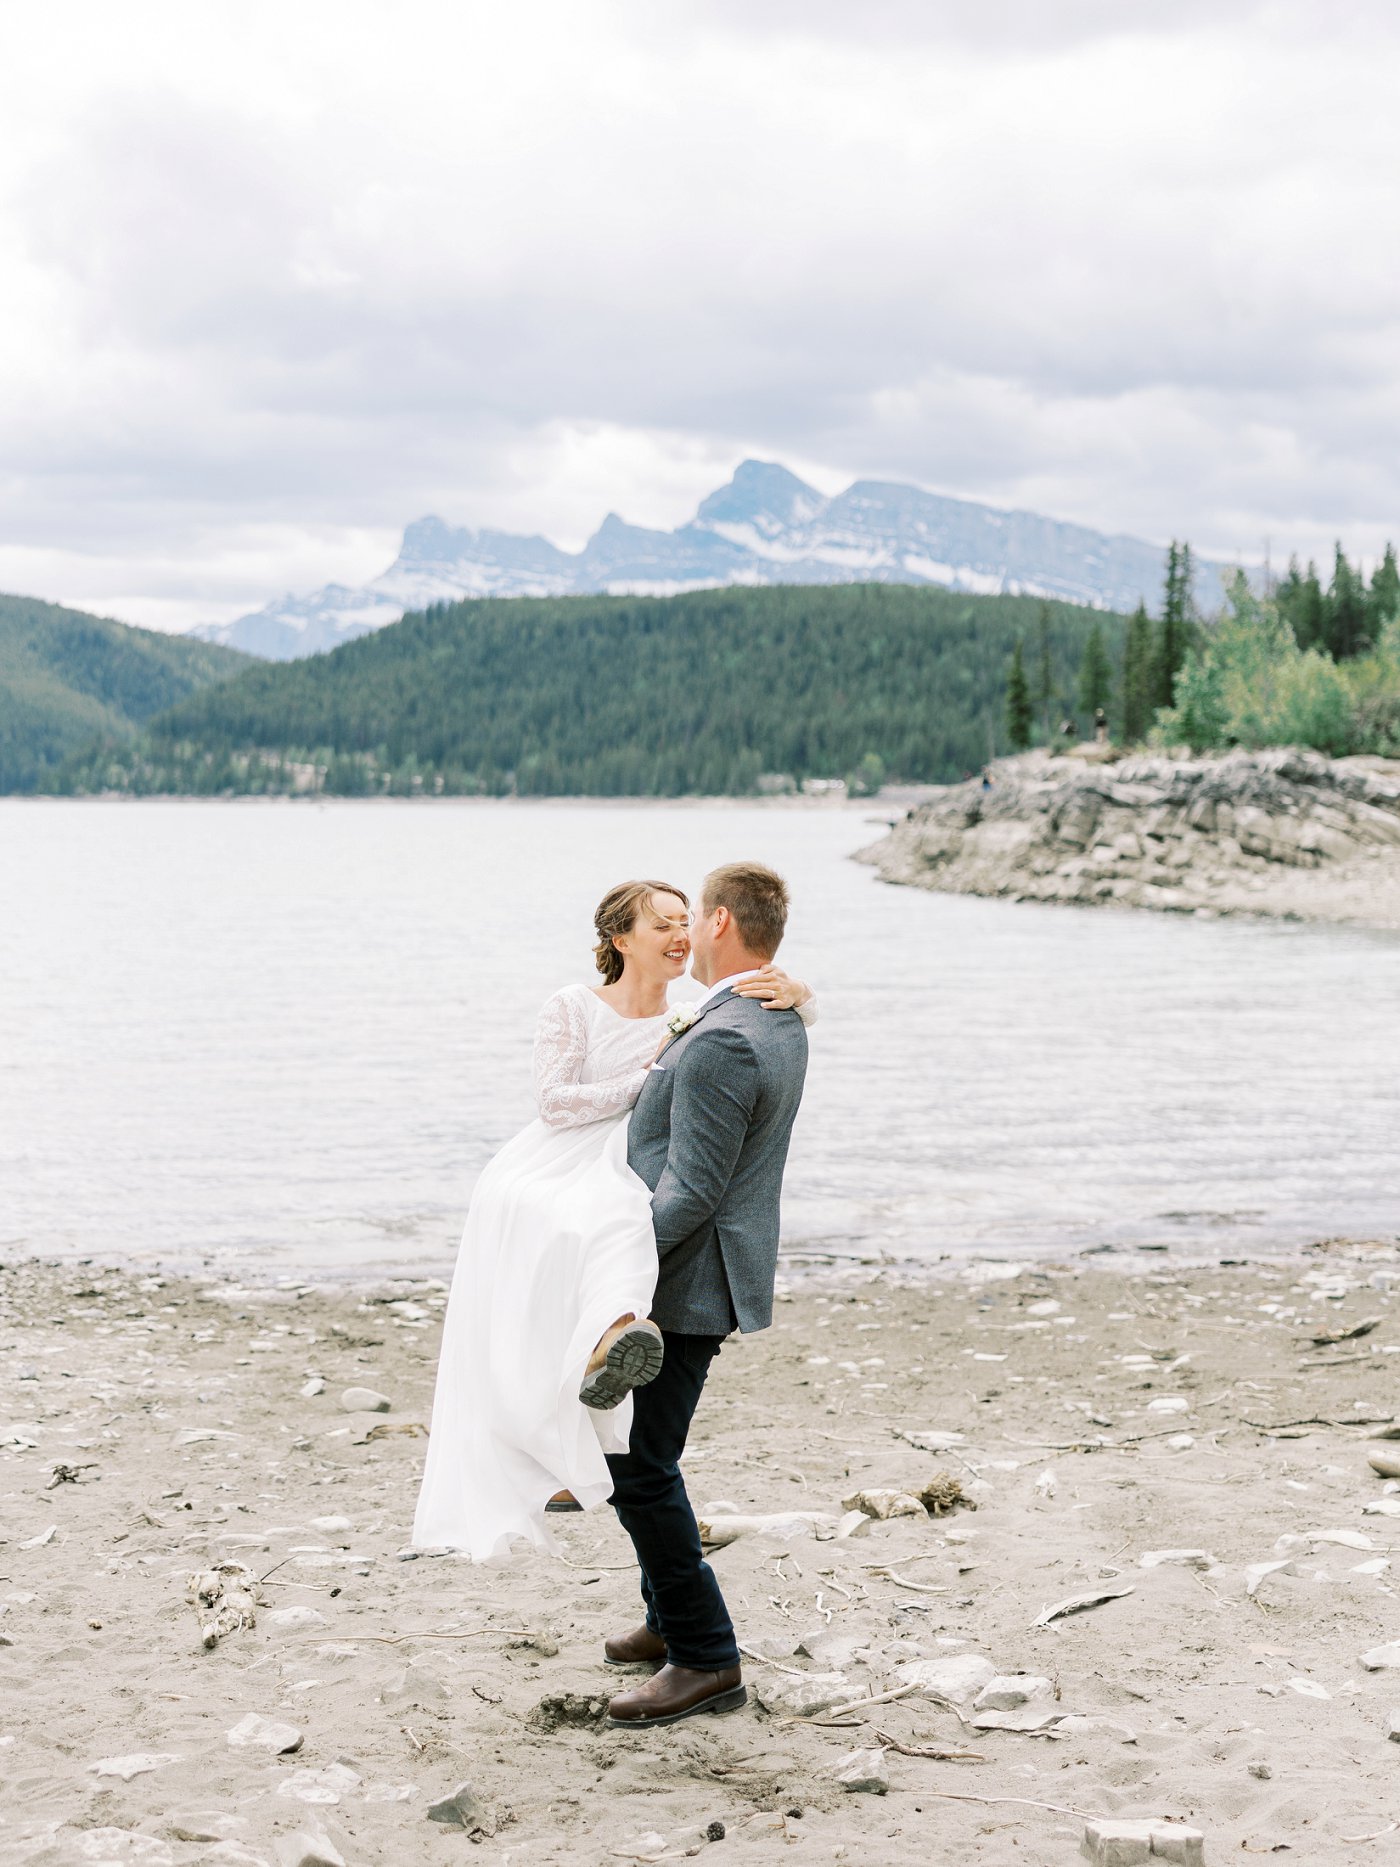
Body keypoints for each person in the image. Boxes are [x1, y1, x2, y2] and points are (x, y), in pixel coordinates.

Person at [410, 877, 814, 1563]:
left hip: (626, 1166)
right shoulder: (575, 1005)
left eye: (686, 920)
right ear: (620, 938)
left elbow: (747, 1025)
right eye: (662, 924)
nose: (680, 933)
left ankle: (607, 1351)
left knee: (620, 1223)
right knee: (588, 1232)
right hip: (557, 1161)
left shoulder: (694, 1016)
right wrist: (654, 1077)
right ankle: (573, 1387)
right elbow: (554, 1102)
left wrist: (804, 996)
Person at [602, 861, 809, 1731]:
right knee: (645, 1456)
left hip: (688, 1277)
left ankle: (705, 1654)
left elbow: (692, 1189)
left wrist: (612, 1270)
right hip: (705, 1269)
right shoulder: (776, 1012)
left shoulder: (727, 1034)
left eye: (697, 916)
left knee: (639, 1470)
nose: (688, 932)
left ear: (720, 921)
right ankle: (664, 1615)